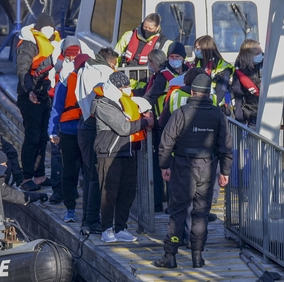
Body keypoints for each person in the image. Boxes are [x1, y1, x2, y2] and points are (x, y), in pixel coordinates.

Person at [154, 74, 233, 268]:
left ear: (192, 92)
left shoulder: (181, 113)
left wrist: (164, 166)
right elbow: (226, 146)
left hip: (183, 166)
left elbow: (166, 142)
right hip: (207, 167)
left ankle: (170, 255)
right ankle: (197, 256)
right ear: (209, 94)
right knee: (201, 213)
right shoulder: (218, 115)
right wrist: (225, 171)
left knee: (177, 212)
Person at [93, 71, 154, 242]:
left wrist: (147, 113)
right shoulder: (102, 104)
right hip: (109, 153)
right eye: (124, 87)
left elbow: (140, 113)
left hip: (127, 151)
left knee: (127, 192)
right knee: (108, 193)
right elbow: (123, 127)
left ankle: (121, 227)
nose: (128, 90)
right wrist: (145, 122)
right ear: (114, 88)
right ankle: (106, 228)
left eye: (128, 86)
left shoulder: (128, 101)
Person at [75, 47, 119, 232]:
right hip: (97, 126)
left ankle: (87, 218)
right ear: (110, 62)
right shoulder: (105, 73)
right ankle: (92, 220)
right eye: (115, 65)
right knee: (96, 176)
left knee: (88, 174)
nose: (116, 68)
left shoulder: (84, 69)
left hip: (84, 123)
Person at [16, 13, 61, 192]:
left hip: (46, 94)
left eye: (51, 28)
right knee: (32, 136)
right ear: (39, 29)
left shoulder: (55, 43)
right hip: (30, 95)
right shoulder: (28, 44)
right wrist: (29, 90)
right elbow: (22, 70)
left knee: (43, 136)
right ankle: (27, 177)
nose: (49, 32)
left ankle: (40, 175)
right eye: (45, 28)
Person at [143, 42, 190, 212]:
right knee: (163, 163)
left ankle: (177, 203)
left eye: (177, 57)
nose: (174, 59)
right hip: (164, 124)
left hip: (186, 123)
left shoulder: (190, 72)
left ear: (183, 58)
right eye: (171, 56)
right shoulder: (162, 76)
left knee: (181, 165)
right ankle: (160, 202)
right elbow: (150, 97)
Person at [49, 37, 89, 222]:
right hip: (69, 132)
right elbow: (57, 108)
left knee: (89, 172)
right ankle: (70, 208)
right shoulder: (65, 82)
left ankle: (90, 210)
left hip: (88, 131)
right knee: (70, 171)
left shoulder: (95, 83)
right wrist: (52, 131)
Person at [192, 35, 234, 111]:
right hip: (197, 106)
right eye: (195, 48)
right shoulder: (195, 64)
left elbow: (221, 92)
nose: (195, 51)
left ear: (206, 49)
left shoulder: (224, 67)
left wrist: (210, 107)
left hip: (216, 108)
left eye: (198, 48)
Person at [231, 39, 264, 126]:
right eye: (257, 53)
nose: (261, 55)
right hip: (252, 114)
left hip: (271, 112)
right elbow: (237, 94)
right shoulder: (239, 72)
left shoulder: (268, 65)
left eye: (261, 52)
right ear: (248, 56)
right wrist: (239, 118)